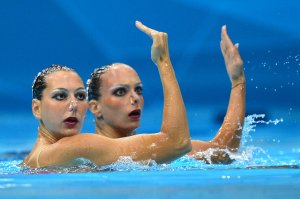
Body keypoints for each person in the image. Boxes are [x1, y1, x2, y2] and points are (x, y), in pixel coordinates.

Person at [23, 21, 191, 168]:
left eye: (80, 96)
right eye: (60, 96)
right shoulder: (77, 146)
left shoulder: (32, 160)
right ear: (37, 108)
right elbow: (177, 143)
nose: (73, 105)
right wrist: (163, 60)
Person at [88, 24, 245, 164]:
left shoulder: (161, 149)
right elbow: (176, 142)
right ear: (95, 107)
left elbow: (223, 152)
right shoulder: (83, 150)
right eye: (120, 91)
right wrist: (163, 60)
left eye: (138, 90)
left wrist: (238, 82)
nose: (135, 98)